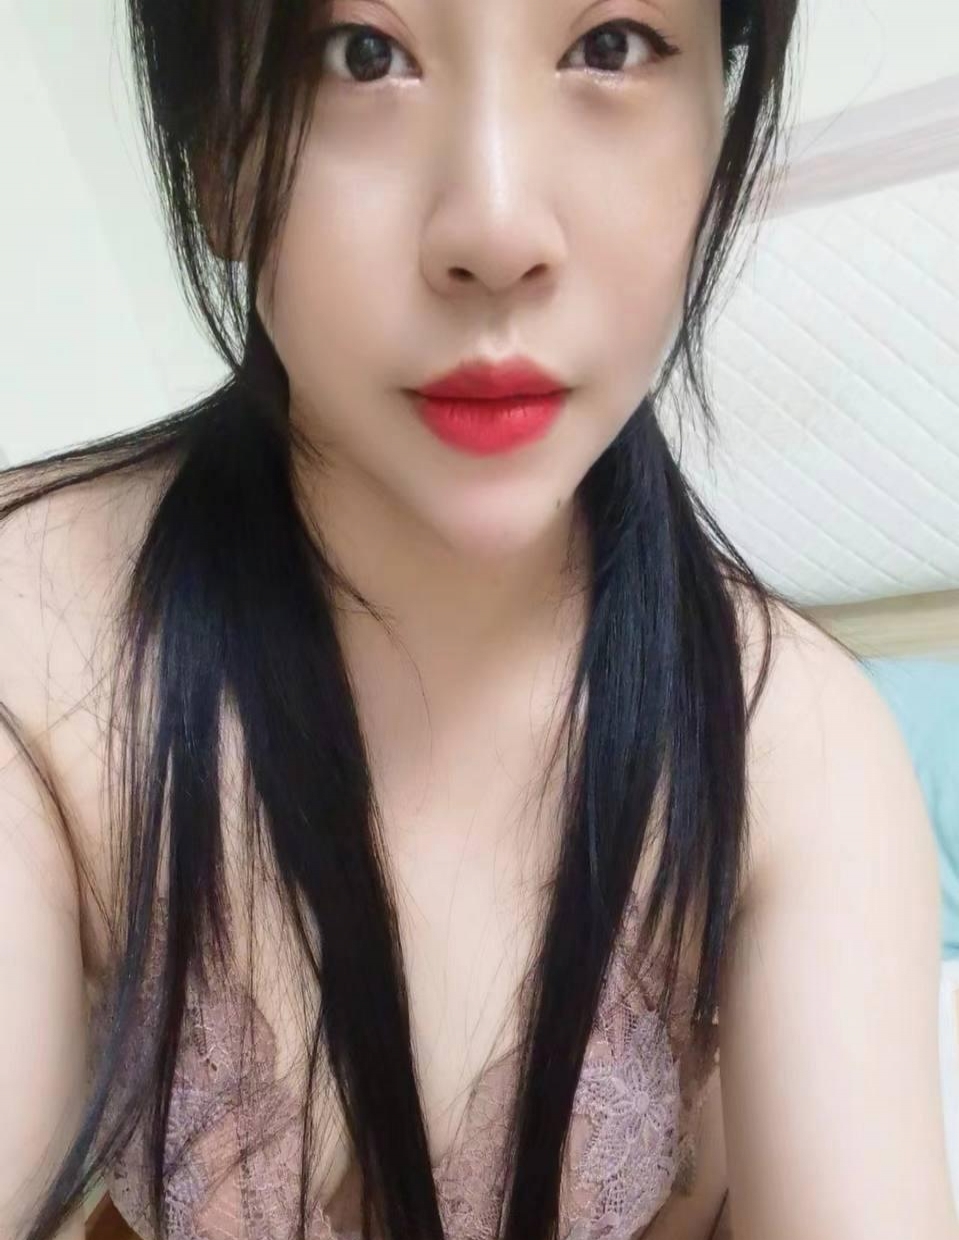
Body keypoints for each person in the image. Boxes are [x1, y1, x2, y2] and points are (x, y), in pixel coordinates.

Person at [0, 2, 955, 1240]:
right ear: (216, 159)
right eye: (359, 53)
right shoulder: (36, 641)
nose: (495, 232)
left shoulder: (797, 750)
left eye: (609, 44)